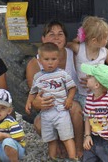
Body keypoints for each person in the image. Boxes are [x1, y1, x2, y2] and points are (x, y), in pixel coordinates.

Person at [25, 21, 85, 159]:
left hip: (71, 102)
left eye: (60, 34)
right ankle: (58, 146)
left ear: (65, 38)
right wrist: (35, 103)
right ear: (43, 39)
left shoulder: (73, 55)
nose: (56, 38)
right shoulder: (35, 64)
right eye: (51, 34)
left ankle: (78, 147)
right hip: (49, 105)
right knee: (39, 124)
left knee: (75, 108)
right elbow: (32, 94)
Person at [67, 16, 108, 109]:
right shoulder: (79, 48)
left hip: (101, 94)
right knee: (86, 118)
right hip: (82, 94)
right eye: (105, 37)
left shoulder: (104, 52)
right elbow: (63, 46)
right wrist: (76, 40)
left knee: (101, 117)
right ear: (94, 40)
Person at [81, 63, 108, 162]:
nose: (86, 77)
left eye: (89, 76)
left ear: (97, 85)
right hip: (95, 138)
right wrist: (87, 135)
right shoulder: (89, 99)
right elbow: (87, 118)